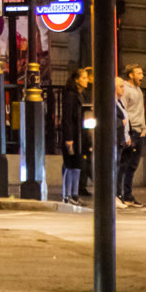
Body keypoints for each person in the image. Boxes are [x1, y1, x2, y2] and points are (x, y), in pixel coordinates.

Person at [60, 66, 90, 207]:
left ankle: (74, 194)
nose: (87, 80)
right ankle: (68, 195)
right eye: (84, 78)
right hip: (73, 135)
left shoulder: (80, 94)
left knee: (77, 165)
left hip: (79, 134)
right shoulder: (71, 95)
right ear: (76, 80)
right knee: (70, 164)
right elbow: (67, 118)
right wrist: (69, 138)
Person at [117, 65, 146, 206]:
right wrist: (127, 131)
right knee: (125, 164)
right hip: (131, 130)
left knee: (133, 165)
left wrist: (144, 126)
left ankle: (128, 195)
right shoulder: (126, 90)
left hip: (139, 130)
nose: (142, 76)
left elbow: (140, 110)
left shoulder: (138, 90)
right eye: (138, 73)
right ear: (131, 75)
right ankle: (120, 194)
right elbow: (123, 110)